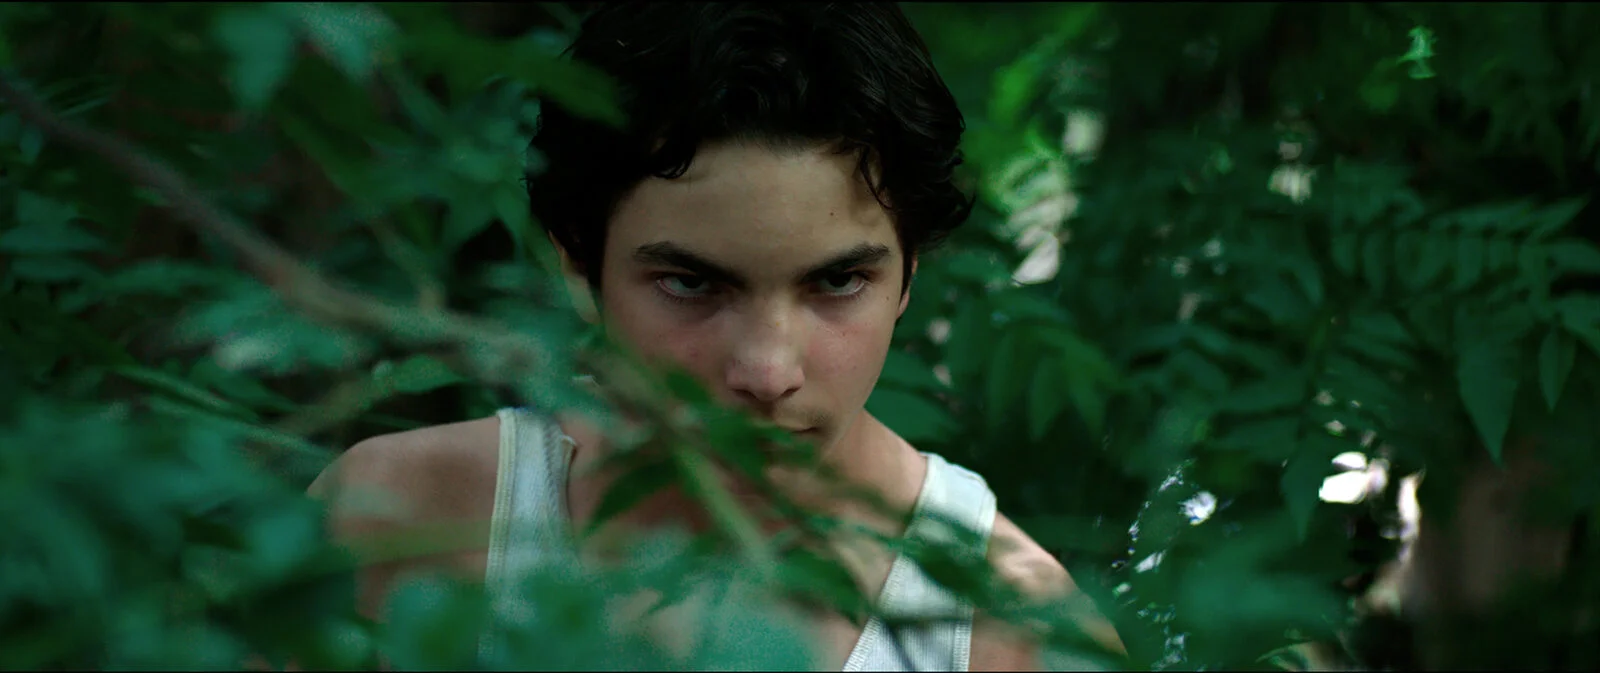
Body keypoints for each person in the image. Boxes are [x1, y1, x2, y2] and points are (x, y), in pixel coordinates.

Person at [309, 2, 1123, 670]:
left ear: (909, 273)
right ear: (574, 262)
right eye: (691, 283)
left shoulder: (1012, 631)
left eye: (838, 281)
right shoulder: (395, 522)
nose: (767, 371)